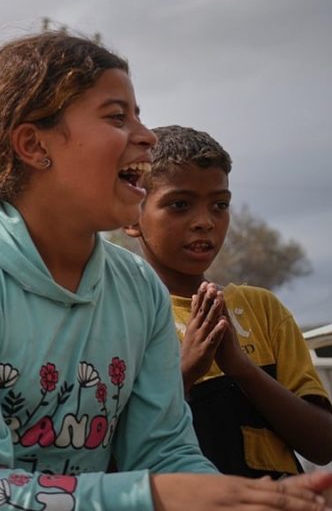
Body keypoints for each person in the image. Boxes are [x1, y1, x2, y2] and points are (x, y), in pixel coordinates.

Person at [0, 32, 332, 511]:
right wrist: (153, 494)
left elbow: (165, 451)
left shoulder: (137, 289)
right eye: (117, 116)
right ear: (33, 144)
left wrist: (243, 498)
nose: (147, 136)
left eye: (138, 113)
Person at [122, 125, 332, 477]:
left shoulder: (262, 311)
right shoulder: (122, 315)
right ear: (132, 217)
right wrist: (185, 373)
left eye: (220, 205)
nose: (205, 222)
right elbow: (117, 451)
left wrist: (240, 367)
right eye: (179, 205)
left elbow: (322, 445)